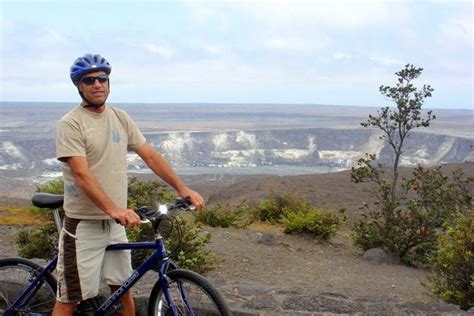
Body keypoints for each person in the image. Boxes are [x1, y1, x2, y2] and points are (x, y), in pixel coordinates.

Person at [53, 53, 204, 316]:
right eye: (89, 80)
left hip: (115, 223)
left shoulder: (120, 118)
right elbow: (81, 174)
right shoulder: (71, 123)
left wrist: (182, 189)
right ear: (79, 86)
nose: (97, 84)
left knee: (123, 289)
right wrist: (114, 209)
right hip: (84, 224)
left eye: (102, 78)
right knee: (70, 299)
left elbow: (150, 155)